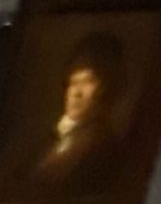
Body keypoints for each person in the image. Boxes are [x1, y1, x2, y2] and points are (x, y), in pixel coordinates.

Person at [26, 32, 128, 195]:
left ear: (107, 87)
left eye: (88, 81)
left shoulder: (103, 148)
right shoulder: (53, 138)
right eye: (73, 82)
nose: (76, 93)